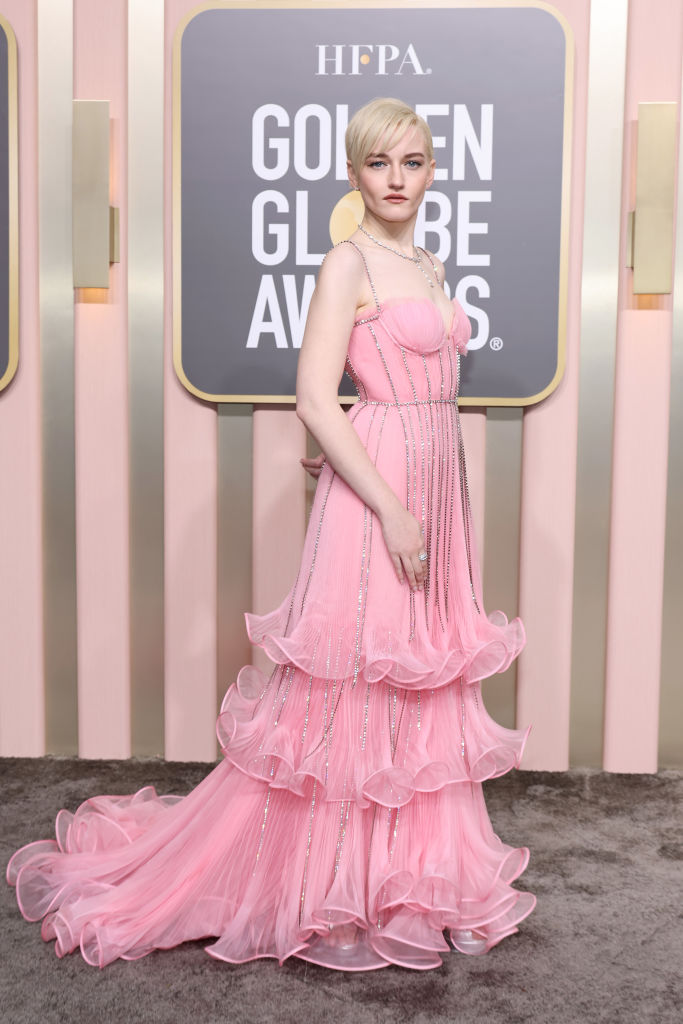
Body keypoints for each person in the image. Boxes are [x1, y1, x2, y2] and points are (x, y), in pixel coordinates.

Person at [6, 97, 535, 971]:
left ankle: (421, 879)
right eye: (378, 164)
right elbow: (316, 398)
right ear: (355, 174)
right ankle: (334, 884)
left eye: (411, 162)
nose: (395, 180)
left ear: (432, 167)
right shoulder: (345, 263)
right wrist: (391, 508)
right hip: (381, 493)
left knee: (421, 680)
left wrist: (420, 498)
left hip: (439, 479)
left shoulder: (432, 265)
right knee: (358, 686)